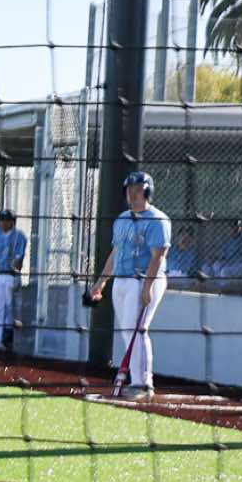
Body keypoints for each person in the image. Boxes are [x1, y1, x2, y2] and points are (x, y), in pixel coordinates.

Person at [87, 171, 171, 400]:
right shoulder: (122, 219)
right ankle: (137, 380)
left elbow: (158, 257)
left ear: (147, 192)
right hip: (122, 280)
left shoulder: (157, 219)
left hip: (143, 279)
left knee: (138, 329)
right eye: (129, 190)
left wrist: (147, 287)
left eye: (137, 190)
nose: (132, 195)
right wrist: (101, 281)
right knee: (127, 331)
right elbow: (116, 253)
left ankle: (144, 383)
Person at [0, 209, 28, 351]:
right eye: (2, 220)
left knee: (10, 308)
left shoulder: (19, 236)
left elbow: (19, 260)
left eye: (7, 220)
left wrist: (16, 273)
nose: (4, 223)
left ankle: (8, 339)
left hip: (11, 275)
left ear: (13, 222)